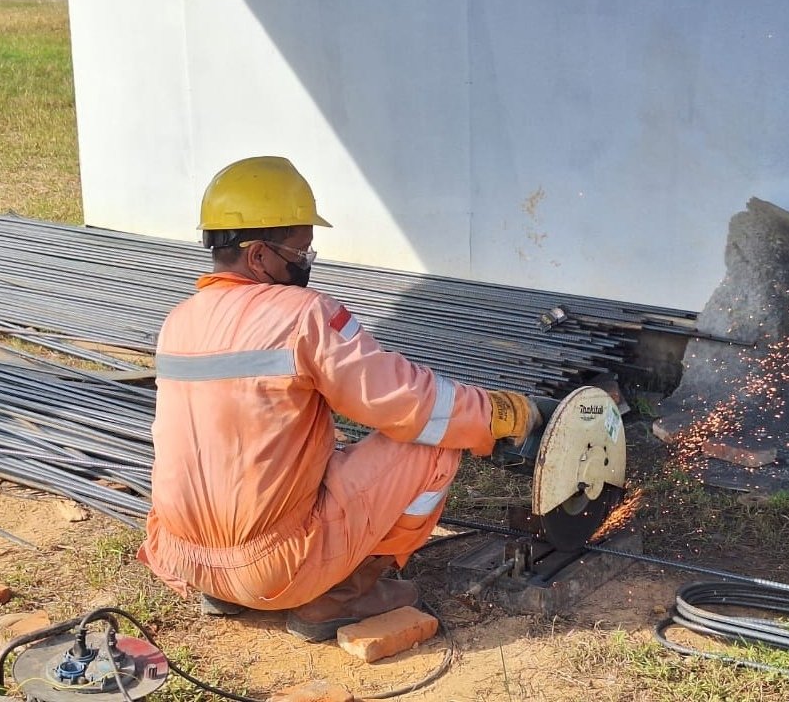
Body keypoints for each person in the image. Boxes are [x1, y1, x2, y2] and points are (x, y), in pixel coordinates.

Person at [137, 155, 543, 642]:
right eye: (300, 251)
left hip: (184, 558)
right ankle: (342, 594)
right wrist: (499, 414)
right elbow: (408, 403)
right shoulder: (305, 315)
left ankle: (224, 590)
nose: (306, 264)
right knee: (434, 442)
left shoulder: (177, 322)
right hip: (275, 567)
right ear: (259, 256)